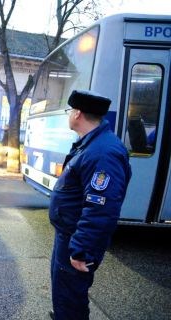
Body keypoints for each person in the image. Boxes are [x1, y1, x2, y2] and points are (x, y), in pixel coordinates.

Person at [49, 90, 132, 320]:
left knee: (71, 294)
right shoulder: (92, 144)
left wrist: (82, 250)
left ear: (77, 113)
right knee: (63, 288)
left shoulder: (103, 152)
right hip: (69, 233)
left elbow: (101, 207)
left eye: (69, 110)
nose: (69, 115)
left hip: (76, 238)